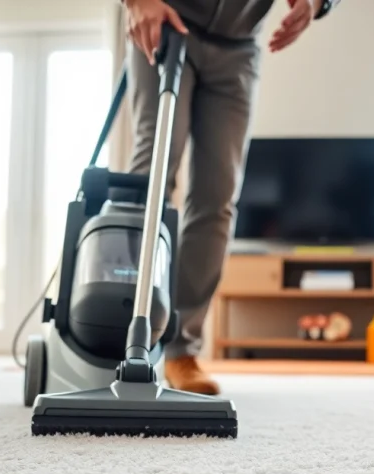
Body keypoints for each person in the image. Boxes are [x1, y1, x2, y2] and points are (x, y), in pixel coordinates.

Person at [121, 0, 341, 395]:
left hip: (238, 47)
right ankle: (120, 334)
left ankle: (180, 350)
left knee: (217, 197)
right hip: (167, 20)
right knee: (152, 178)